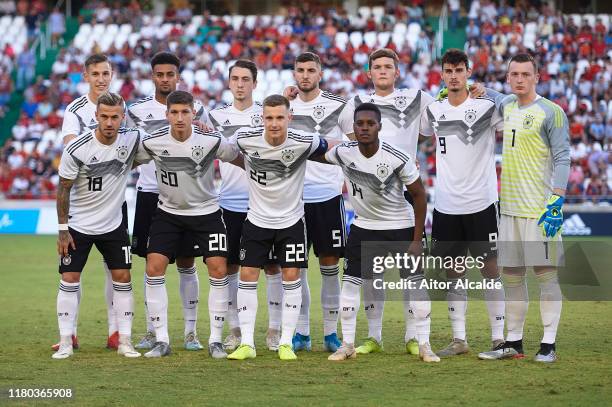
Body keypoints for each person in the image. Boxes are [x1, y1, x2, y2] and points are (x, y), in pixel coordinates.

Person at [317, 103, 438, 363]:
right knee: (350, 284)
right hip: (364, 227)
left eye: (370, 124)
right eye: (359, 124)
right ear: (354, 127)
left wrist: (417, 240)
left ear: (379, 127)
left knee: (415, 284)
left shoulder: (397, 156)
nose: (364, 128)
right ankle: (347, 344)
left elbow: (419, 196)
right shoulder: (344, 153)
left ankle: (425, 345)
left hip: (400, 227)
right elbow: (315, 152)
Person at [135, 90, 241, 358]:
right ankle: (162, 340)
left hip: (207, 213)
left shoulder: (210, 139)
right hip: (168, 213)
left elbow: (237, 156)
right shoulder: (154, 142)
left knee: (218, 269)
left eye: (185, 112)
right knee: (153, 266)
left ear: (194, 113)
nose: (180, 118)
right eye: (174, 112)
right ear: (166, 114)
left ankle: (215, 340)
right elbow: (126, 159)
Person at [479, 53, 570, 363]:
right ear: (508, 78)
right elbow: (491, 94)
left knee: (546, 276)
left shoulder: (551, 112)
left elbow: (563, 158)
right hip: (510, 211)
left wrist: (557, 201)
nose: (519, 78)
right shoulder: (507, 106)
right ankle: (514, 343)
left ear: (537, 77)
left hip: (539, 211)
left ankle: (548, 345)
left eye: (525, 74)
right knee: (513, 277)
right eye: (514, 74)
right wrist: (468, 86)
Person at [226, 95, 330, 361]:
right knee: (248, 275)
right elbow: (222, 149)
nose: (274, 124)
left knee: (291, 277)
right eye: (269, 118)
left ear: (289, 117)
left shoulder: (305, 140)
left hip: (292, 222)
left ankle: (285, 342)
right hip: (256, 221)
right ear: (262, 119)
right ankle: (247, 343)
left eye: (279, 118)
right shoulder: (245, 138)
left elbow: (333, 146)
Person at [420, 49, 506, 357]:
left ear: (468, 72)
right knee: (452, 271)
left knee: (490, 268)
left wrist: (489, 89)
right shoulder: (435, 110)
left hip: (481, 202)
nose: (454, 75)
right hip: (446, 205)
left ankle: (499, 337)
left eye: (459, 70)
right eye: (449, 70)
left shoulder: (487, 106)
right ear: (442, 75)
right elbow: (419, 137)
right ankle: (459, 339)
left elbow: (513, 107)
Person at [127, 52, 213, 351]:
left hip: (186, 196)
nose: (165, 79)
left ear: (179, 76)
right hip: (150, 194)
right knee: (152, 264)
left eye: (170, 74)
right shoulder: (135, 110)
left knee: (187, 262)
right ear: (153, 76)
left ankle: (191, 332)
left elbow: (208, 143)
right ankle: (153, 330)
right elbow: (128, 147)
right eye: (159, 74)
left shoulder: (198, 109)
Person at [53, 92, 142, 360]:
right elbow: (63, 189)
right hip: (79, 226)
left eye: (115, 117)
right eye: (104, 116)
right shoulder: (77, 148)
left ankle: (125, 340)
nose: (109, 122)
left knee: (123, 279)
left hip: (113, 225)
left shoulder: (131, 140)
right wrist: (62, 230)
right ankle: (66, 340)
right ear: (96, 117)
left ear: (122, 117)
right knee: (69, 278)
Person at [208, 59, 283, 352]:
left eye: (245, 79)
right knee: (230, 268)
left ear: (255, 83)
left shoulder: (265, 115)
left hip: (263, 203)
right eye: (235, 79)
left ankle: (274, 330)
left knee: (272, 267)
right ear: (229, 82)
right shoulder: (214, 117)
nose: (240, 84)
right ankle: (235, 330)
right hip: (228, 203)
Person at [287, 52, 353, 353]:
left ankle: (330, 333)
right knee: (297, 269)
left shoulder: (339, 106)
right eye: (300, 70)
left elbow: (353, 147)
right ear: (293, 73)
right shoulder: (283, 107)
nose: (305, 76)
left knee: (329, 267)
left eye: (310, 70)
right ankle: (301, 333)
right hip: (294, 199)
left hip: (327, 197)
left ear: (320, 73)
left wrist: (349, 185)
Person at [53, 53, 119, 352]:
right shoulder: (75, 109)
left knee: (116, 270)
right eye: (96, 74)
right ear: (86, 76)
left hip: (113, 198)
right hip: (81, 200)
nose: (101, 79)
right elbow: (70, 146)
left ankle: (115, 331)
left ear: (112, 74)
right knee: (71, 270)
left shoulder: (119, 105)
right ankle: (70, 333)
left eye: (106, 73)